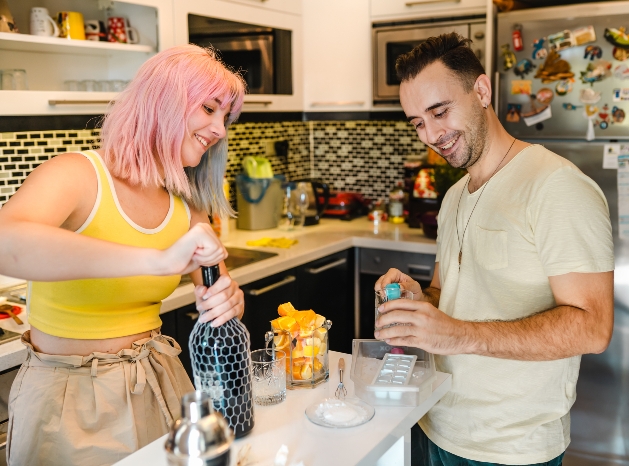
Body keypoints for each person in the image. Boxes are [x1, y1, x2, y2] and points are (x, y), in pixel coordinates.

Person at [0, 44, 246, 465]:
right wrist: (158, 260)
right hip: (71, 399)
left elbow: (218, 287)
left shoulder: (187, 205)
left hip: (162, 380)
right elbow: (6, 243)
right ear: (162, 102)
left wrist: (228, 299)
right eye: (208, 108)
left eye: (225, 117)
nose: (219, 129)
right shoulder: (77, 174)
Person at [374, 33, 614, 465]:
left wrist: (456, 334)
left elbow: (593, 328)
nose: (431, 134)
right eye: (417, 123)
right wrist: (417, 300)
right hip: (434, 421)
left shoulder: (556, 186)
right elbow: (447, 295)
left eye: (439, 111)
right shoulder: (454, 197)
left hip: (510, 449)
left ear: (481, 91)